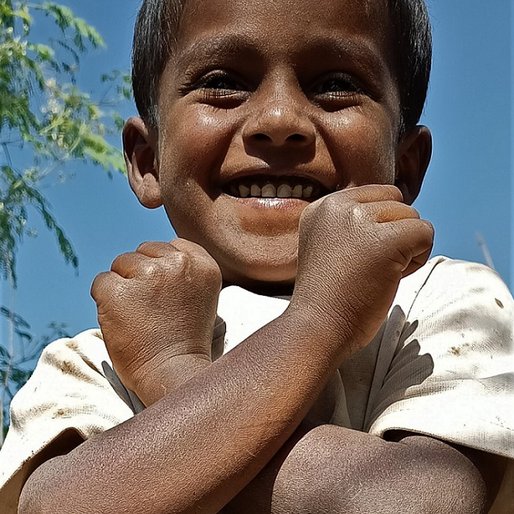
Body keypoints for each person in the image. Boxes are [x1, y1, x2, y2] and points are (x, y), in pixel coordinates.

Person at [1, 0, 513, 512]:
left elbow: (411, 505)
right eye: (223, 81)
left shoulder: (439, 305)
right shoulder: (100, 356)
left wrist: (174, 372)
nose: (278, 120)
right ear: (147, 160)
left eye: (336, 83)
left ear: (406, 166)